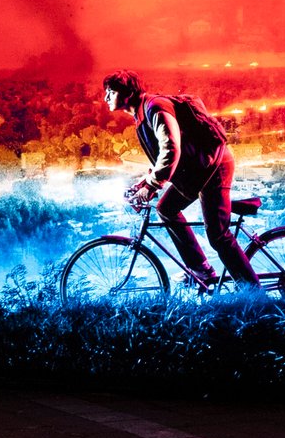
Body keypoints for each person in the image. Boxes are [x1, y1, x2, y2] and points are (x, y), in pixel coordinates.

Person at [101, 70, 259, 289]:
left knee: (218, 235)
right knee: (166, 208)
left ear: (127, 93)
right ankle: (201, 270)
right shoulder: (143, 113)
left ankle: (254, 293)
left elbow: (171, 149)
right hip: (199, 170)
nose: (106, 97)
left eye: (111, 92)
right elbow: (164, 156)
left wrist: (152, 185)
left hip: (214, 167)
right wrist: (145, 182)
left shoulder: (155, 108)